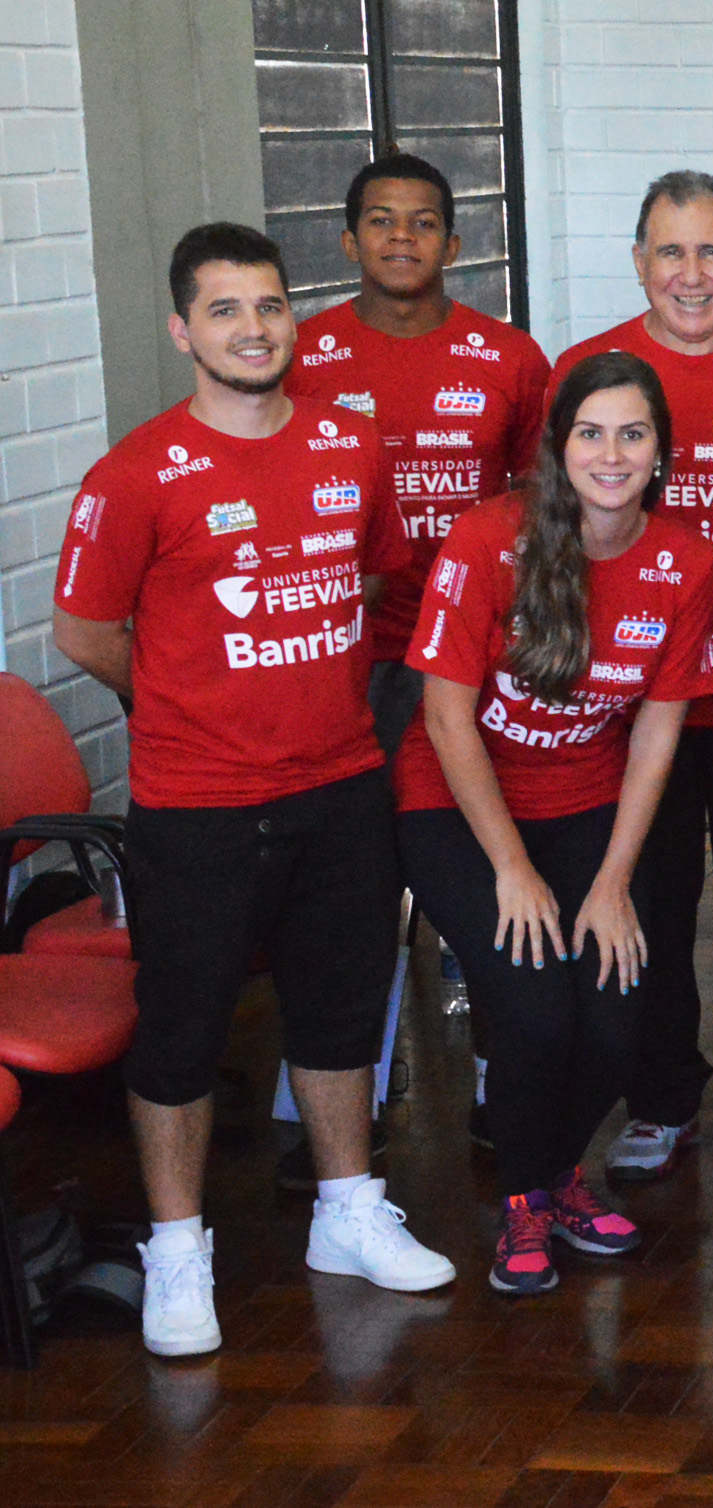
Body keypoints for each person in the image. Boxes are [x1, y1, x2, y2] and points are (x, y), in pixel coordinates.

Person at [53, 223, 455, 1358]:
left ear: (294, 318)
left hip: (338, 781)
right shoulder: (136, 472)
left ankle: (347, 1210)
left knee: (336, 1010)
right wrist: (182, 696)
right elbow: (83, 629)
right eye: (224, 310)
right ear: (184, 330)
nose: (252, 328)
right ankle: (176, 1247)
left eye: (269, 306)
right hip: (198, 802)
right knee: (183, 1030)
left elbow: (374, 571)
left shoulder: (347, 444)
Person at [400, 352, 713, 1295]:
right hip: (459, 810)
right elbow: (446, 717)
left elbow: (658, 728)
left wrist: (616, 880)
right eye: (591, 432)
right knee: (537, 1017)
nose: (611, 454)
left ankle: (557, 1172)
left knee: (620, 1019)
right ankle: (525, 1203)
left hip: (588, 805)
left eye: (633, 433)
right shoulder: (486, 539)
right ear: (558, 445)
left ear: (662, 450)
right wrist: (510, 867)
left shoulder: (686, 561)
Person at [286, 149, 551, 1175]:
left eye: (425, 221)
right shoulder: (301, 354)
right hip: (350, 664)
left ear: (455, 239)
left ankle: (499, 1077)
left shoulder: (509, 358)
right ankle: (338, 1103)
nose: (404, 238)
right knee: (350, 891)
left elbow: (542, 504)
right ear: (349, 241)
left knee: (491, 870)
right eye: (382, 221)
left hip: (482, 669)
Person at [558, 172, 713, 1186]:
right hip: (630, 703)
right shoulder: (589, 370)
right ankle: (659, 1094)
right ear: (638, 263)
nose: (692, 274)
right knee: (652, 900)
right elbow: (551, 529)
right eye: (671, 252)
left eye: (712, 252)